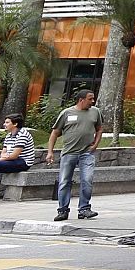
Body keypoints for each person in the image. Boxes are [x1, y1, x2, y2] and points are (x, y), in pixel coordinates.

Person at [46, 91, 102, 222]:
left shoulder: (95, 112)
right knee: (64, 181)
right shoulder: (66, 113)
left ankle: (84, 209)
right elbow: (55, 133)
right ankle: (62, 210)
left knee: (87, 180)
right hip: (69, 153)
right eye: (90, 99)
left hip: (87, 153)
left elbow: (99, 128)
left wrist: (95, 144)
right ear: (81, 100)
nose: (93, 101)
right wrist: (50, 152)